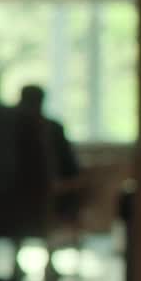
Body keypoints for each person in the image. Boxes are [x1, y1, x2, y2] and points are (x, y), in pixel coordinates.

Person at [15, 85, 84, 218]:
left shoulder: (7, 130)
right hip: (48, 197)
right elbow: (71, 168)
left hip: (15, 198)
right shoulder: (53, 128)